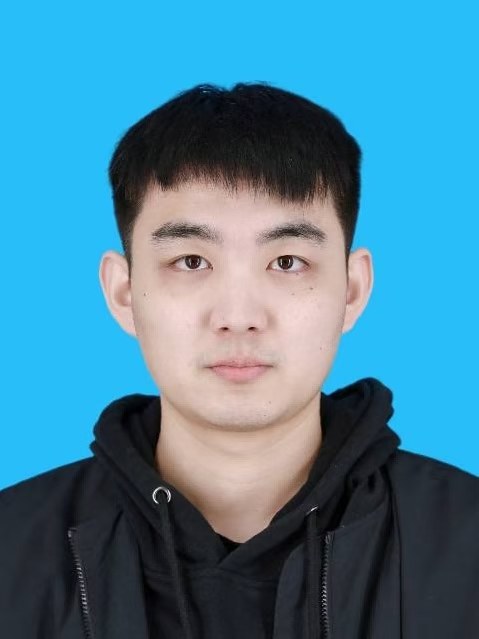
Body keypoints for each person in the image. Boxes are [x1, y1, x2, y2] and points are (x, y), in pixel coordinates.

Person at [1, 83, 478, 639]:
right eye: (191, 261)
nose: (238, 316)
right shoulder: (12, 551)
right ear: (123, 292)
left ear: (352, 289)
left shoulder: (466, 544)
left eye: (287, 261)